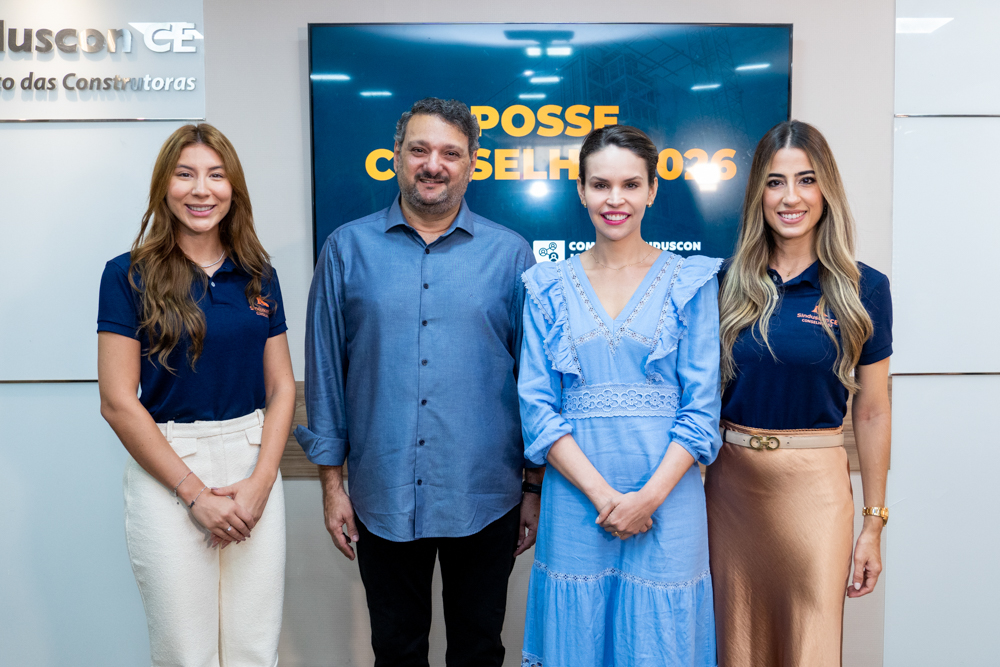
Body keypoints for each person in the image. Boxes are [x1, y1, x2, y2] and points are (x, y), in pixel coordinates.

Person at [294, 97, 542, 667]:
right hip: (380, 495)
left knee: (479, 651)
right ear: (396, 156)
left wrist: (533, 488)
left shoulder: (511, 256)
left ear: (472, 163)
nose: (434, 165)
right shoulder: (345, 249)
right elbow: (326, 373)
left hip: (485, 496)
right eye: (420, 150)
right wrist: (332, 486)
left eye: (450, 153)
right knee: (395, 651)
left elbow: (533, 380)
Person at [518, 124, 722, 667]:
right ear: (581, 191)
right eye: (600, 185)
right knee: (577, 644)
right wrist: (606, 499)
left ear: (653, 190)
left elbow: (702, 411)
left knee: (661, 646)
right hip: (577, 505)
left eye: (631, 185)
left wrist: (646, 500)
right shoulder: (545, 286)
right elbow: (537, 409)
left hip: (668, 503)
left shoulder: (691, 282)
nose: (615, 199)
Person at [97, 123, 295, 666]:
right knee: (187, 653)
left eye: (216, 175)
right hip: (170, 467)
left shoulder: (258, 275)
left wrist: (261, 482)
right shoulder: (127, 275)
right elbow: (117, 401)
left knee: (254, 649)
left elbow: (281, 387)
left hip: (253, 462)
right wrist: (195, 495)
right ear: (165, 185)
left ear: (234, 188)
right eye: (185, 175)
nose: (201, 190)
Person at [706, 120, 892, 667]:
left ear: (826, 188)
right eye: (775, 182)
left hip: (816, 493)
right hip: (729, 492)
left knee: (810, 646)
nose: (791, 197)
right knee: (734, 643)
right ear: (757, 195)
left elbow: (873, 411)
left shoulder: (864, 288)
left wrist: (873, 523)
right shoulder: (721, 284)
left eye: (806, 180)